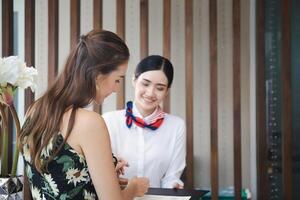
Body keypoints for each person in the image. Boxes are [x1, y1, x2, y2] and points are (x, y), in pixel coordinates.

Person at [18, 30, 149, 200]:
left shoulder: (35, 110)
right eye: (117, 79)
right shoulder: (90, 122)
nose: (117, 89)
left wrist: (102, 172)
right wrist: (133, 188)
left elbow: (54, 172)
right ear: (97, 76)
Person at [102, 55, 186, 189]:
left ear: (167, 92)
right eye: (145, 84)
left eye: (159, 88)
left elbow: (172, 177)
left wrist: (174, 186)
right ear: (134, 81)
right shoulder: (108, 121)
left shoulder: (176, 126)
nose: (150, 93)